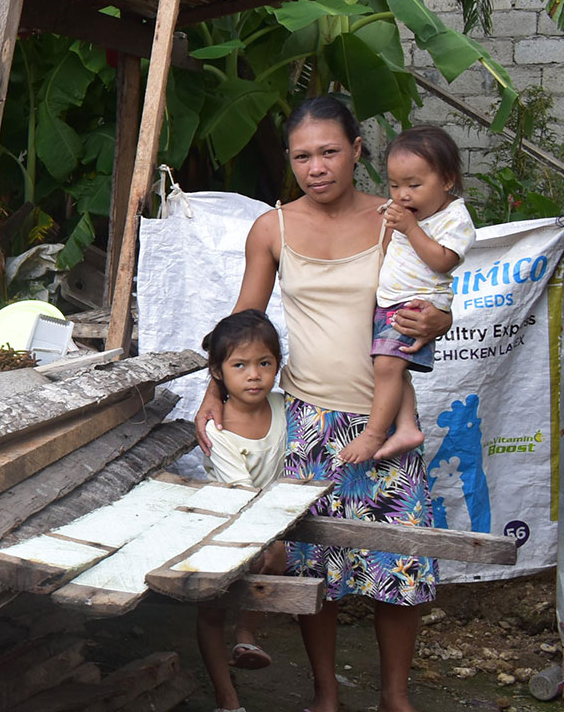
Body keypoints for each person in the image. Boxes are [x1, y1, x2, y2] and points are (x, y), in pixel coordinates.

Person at [193, 96, 454, 712]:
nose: (317, 167)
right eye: (303, 155)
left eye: (330, 151)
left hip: (383, 421)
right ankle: (326, 696)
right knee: (316, 570)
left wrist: (440, 321)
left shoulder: (396, 219)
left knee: (400, 570)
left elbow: (428, 299)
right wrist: (212, 388)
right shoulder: (273, 228)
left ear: (358, 150)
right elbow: (244, 322)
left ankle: (395, 699)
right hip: (308, 420)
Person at [337, 125, 477, 465]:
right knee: (393, 370)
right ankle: (405, 427)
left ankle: (373, 433)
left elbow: (443, 261)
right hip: (391, 302)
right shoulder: (401, 214)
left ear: (446, 181)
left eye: (414, 185)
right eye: (395, 185)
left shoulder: (454, 219)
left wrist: (411, 229)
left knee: (387, 367)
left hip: (415, 306)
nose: (403, 195)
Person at [190, 310, 290, 712]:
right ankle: (226, 697)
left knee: (275, 558)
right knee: (213, 605)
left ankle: (247, 633)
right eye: (240, 365)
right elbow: (243, 494)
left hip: (267, 522)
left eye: (264, 364)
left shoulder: (284, 408)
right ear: (217, 372)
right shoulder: (218, 428)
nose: (254, 375)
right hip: (223, 522)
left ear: (278, 366)